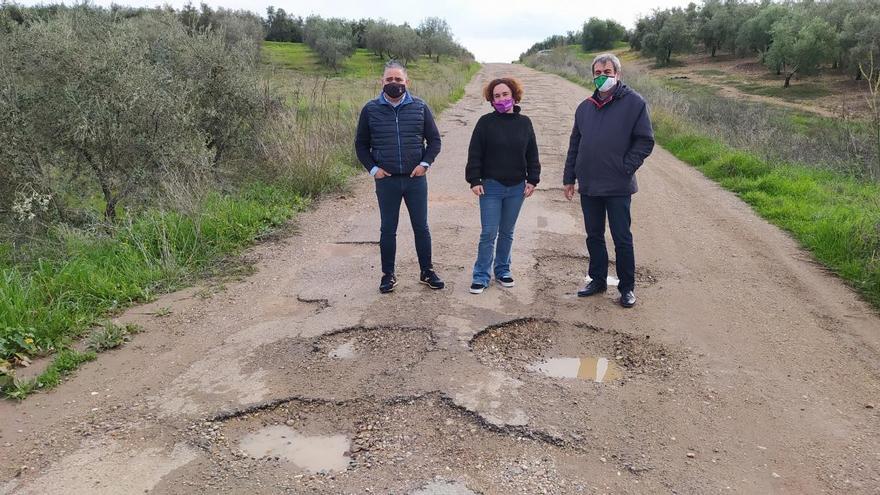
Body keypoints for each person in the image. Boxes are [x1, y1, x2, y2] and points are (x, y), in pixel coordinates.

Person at [563, 53, 654, 308]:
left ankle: (626, 289)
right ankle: (598, 280)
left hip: (618, 185)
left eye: (607, 71)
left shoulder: (634, 103)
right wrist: (569, 177)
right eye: (598, 72)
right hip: (589, 184)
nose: (602, 76)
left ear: (618, 74)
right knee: (594, 235)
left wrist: (625, 167)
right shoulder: (585, 107)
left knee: (621, 237)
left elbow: (645, 140)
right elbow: (575, 144)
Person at [355, 60, 445, 294]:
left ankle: (427, 271)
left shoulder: (420, 107)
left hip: (415, 179)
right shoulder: (371, 109)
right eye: (389, 80)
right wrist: (374, 170)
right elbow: (361, 145)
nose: (394, 84)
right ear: (382, 82)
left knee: (421, 227)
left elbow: (434, 140)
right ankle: (388, 275)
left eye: (398, 80)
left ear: (407, 82)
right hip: (387, 181)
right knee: (388, 228)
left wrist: (425, 164)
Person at [465, 77, 540, 294]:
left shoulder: (525, 123)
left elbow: (532, 154)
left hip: (517, 188)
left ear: (514, 96)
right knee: (489, 232)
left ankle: (503, 270)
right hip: (490, 187)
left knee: (507, 232)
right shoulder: (485, 123)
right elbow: (475, 153)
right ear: (491, 100)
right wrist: (474, 180)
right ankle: (481, 275)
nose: (501, 99)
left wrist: (533, 179)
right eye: (496, 96)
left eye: (505, 94)